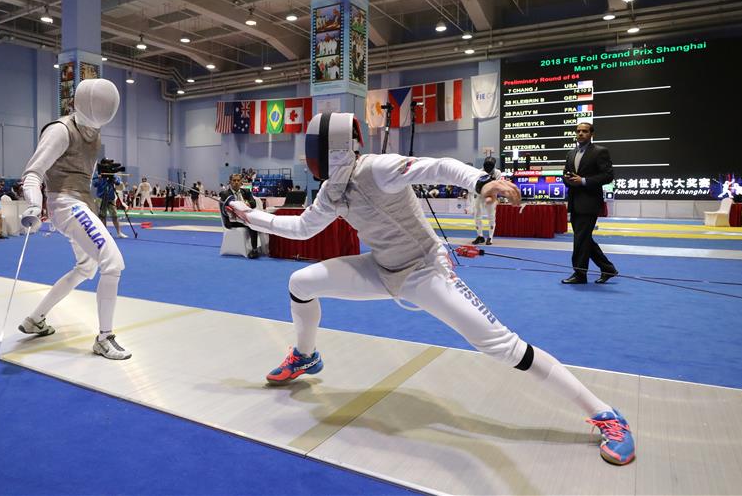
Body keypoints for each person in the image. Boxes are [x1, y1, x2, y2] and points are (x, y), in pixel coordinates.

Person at [226, 112, 635, 467]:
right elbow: (300, 229)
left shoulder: (378, 168)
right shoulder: (333, 189)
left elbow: (439, 166)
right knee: (301, 282)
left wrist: (481, 182)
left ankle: (606, 414)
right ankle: (306, 354)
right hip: (381, 268)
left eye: (310, 147)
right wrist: (249, 215)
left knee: (503, 346)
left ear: (328, 148)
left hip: (425, 272)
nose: (306, 155)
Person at [16, 79, 129, 360]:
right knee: (112, 263)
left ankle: (35, 319)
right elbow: (33, 173)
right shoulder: (60, 130)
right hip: (65, 203)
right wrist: (33, 205)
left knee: (85, 268)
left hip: (81, 203)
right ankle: (104, 338)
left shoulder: (94, 131)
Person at [562, 122, 617, 285]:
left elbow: (608, 176)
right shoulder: (570, 153)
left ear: (591, 134)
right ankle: (608, 269)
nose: (580, 134)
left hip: (590, 202)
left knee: (580, 239)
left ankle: (580, 274)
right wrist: (571, 181)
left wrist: (584, 181)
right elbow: (566, 174)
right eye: (578, 131)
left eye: (584, 131)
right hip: (574, 201)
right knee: (584, 239)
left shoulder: (600, 152)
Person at [220, 173, 260, 258]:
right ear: (230, 182)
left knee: (255, 224)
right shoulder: (224, 194)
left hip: (245, 218)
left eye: (238, 180)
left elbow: (253, 204)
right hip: (233, 221)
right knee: (252, 225)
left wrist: (248, 203)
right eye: (234, 180)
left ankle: (257, 248)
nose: (236, 182)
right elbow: (226, 208)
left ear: (241, 181)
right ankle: (254, 250)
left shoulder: (246, 191)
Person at [471, 156, 501, 245]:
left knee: (491, 216)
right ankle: (480, 236)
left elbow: (497, 186)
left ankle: (490, 238)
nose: (488, 167)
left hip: (491, 196)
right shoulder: (479, 172)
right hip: (479, 195)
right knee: (477, 215)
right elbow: (475, 186)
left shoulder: (497, 172)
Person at [92, 166, 128, 238]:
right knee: (102, 216)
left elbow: (118, 182)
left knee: (115, 216)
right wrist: (100, 178)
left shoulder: (112, 174)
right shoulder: (97, 173)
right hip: (101, 198)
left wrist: (113, 178)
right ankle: (105, 233)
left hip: (111, 197)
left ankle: (119, 233)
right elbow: (94, 184)